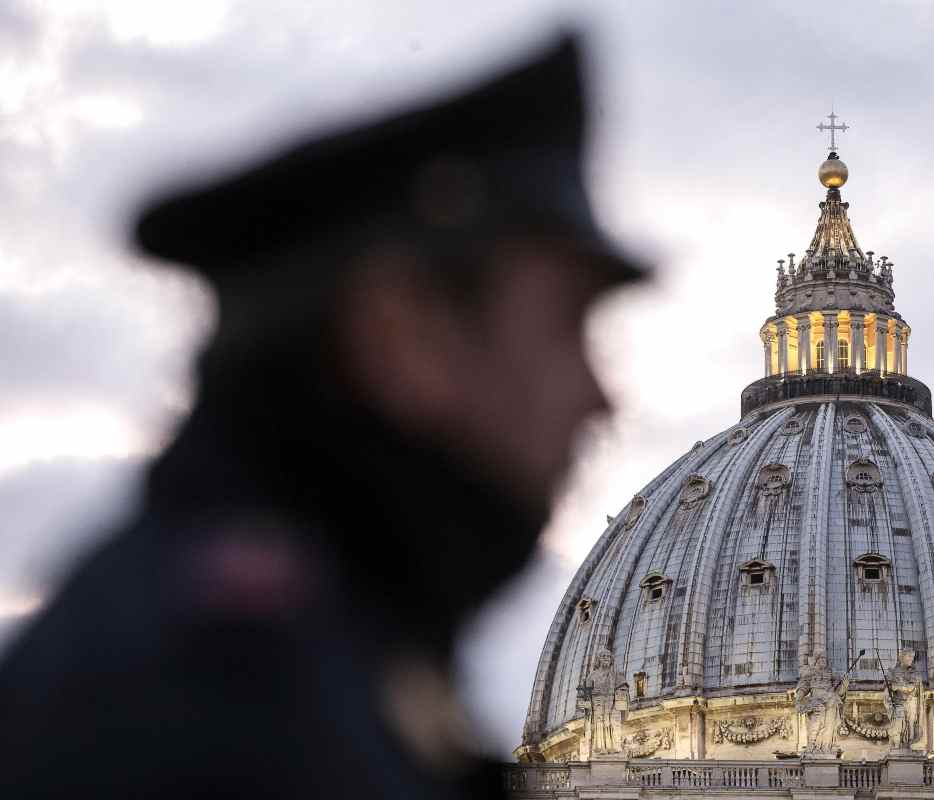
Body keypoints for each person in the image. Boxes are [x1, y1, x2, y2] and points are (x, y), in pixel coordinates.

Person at [0, 32, 648, 798]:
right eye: (566, 323)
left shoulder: (309, 659)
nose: (600, 395)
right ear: (400, 326)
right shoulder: (234, 711)